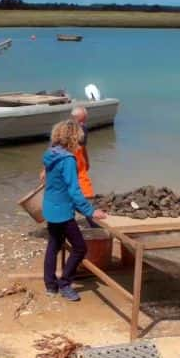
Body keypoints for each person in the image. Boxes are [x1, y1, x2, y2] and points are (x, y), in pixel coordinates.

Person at [42, 120, 107, 301]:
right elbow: (74, 191)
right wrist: (90, 212)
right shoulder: (68, 159)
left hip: (50, 207)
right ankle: (65, 283)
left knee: (53, 246)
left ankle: (50, 285)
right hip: (62, 212)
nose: (80, 142)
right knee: (80, 248)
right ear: (73, 138)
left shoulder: (50, 154)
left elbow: (52, 182)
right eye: (79, 138)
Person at [41, 106, 99, 227]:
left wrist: (87, 161)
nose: (83, 123)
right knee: (81, 193)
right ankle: (93, 220)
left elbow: (83, 148)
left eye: (84, 120)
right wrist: (45, 169)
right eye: (80, 120)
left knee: (78, 190)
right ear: (73, 118)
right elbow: (53, 149)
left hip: (78, 163)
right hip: (71, 162)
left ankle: (87, 216)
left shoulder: (82, 129)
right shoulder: (65, 131)